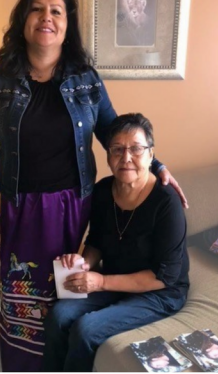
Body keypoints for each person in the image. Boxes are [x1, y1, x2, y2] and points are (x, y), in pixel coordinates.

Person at [0, 0, 187, 371]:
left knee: (65, 291)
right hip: (21, 207)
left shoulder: (85, 79)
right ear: (24, 18)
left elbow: (113, 134)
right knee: (21, 292)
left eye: (56, 11)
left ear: (67, 24)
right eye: (38, 9)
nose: (46, 18)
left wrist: (156, 166)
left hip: (73, 206)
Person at [42, 113, 189, 371]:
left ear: (151, 155)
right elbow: (96, 241)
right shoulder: (102, 191)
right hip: (114, 278)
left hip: (158, 292)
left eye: (136, 149)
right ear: (108, 155)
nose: (126, 158)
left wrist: (100, 282)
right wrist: (81, 265)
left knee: (86, 330)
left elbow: (163, 277)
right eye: (117, 150)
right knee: (59, 315)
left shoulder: (166, 202)